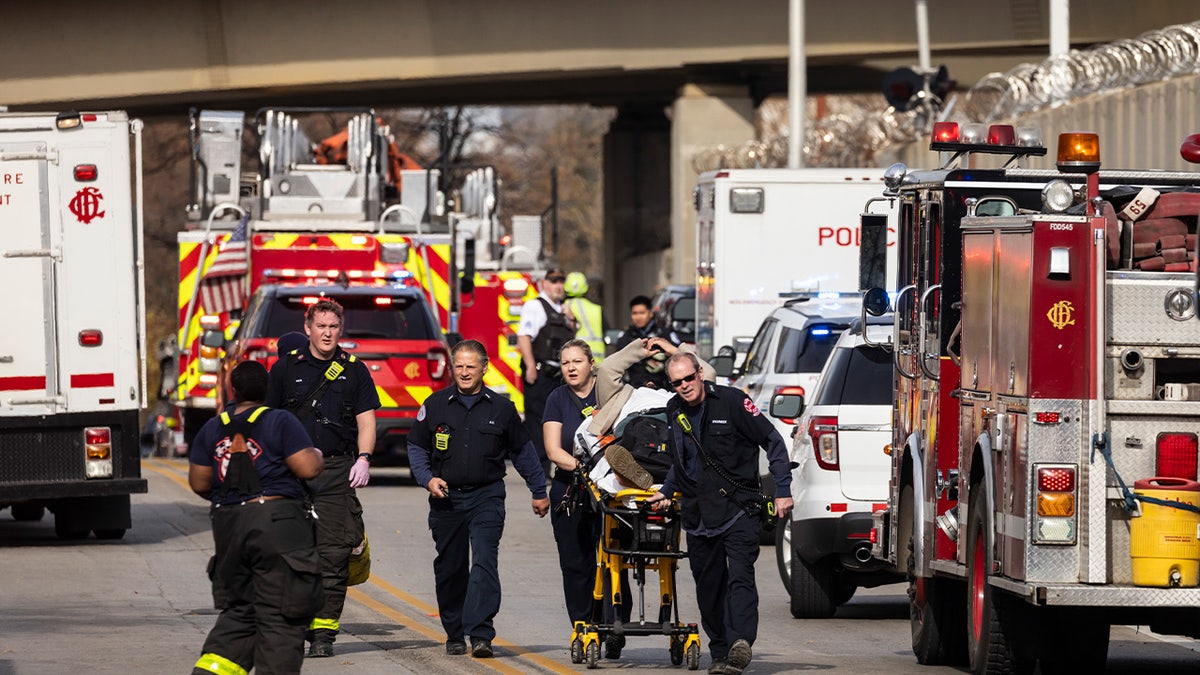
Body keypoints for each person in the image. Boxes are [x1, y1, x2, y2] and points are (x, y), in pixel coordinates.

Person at [647, 352, 795, 675]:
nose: (685, 386)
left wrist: (782, 488)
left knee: (740, 576)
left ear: (701, 374)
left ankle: (741, 643)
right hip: (698, 514)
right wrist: (666, 492)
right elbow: (681, 461)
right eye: (677, 383)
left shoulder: (732, 402)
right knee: (708, 586)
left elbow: (773, 440)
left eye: (689, 378)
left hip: (738, 509)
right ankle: (719, 651)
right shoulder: (674, 411)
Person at [407, 339, 550, 659]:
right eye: (459, 366)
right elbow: (416, 447)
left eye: (471, 366)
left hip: (487, 496)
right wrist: (427, 479)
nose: (465, 372)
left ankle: (482, 632)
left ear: (484, 368)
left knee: (485, 560)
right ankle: (455, 631)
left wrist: (539, 491)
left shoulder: (501, 407)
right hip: (446, 499)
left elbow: (523, 451)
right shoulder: (435, 405)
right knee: (451, 568)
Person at [188, 361, 326, 675]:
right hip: (277, 523)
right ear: (267, 389)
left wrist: (234, 502)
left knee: (240, 613)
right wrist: (316, 454)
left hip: (229, 525)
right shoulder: (279, 420)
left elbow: (199, 482)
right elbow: (307, 468)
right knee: (281, 614)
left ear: (232, 390)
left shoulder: (212, 427)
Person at [265, 298, 381, 658]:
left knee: (333, 555)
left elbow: (366, 421)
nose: (327, 333)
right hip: (292, 473)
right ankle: (296, 625)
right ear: (308, 329)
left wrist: (363, 459)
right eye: (321, 326)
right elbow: (267, 421)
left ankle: (324, 635)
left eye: (333, 327)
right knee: (291, 553)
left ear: (340, 329)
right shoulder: (284, 369)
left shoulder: (355, 370)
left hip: (336, 471)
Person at [542, 338, 631, 658]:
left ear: (592, 364)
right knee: (576, 563)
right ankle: (583, 626)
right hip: (572, 488)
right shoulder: (556, 398)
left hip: (612, 490)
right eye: (565, 363)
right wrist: (584, 468)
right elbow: (553, 450)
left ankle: (615, 625)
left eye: (577, 361)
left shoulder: (608, 391)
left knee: (614, 560)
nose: (571, 368)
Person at [517, 267, 577, 476]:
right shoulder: (536, 306)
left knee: (558, 421)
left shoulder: (562, 309)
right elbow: (524, 337)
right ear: (544, 284)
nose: (558, 286)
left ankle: (556, 466)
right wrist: (531, 366)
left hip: (558, 375)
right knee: (537, 423)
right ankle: (538, 471)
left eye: (561, 281)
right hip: (541, 374)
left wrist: (572, 321)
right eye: (553, 281)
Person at [613, 295, 668, 389]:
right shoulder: (626, 336)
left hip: (662, 386)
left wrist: (661, 365)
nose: (638, 317)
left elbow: (676, 355)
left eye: (642, 313)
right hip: (635, 387)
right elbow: (618, 361)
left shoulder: (664, 334)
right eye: (635, 313)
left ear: (650, 313)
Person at [562, 272, 606, 363]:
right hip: (596, 363)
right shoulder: (596, 309)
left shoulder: (560, 308)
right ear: (586, 288)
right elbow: (607, 331)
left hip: (569, 362)